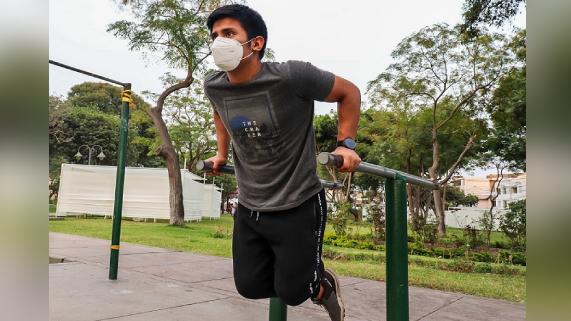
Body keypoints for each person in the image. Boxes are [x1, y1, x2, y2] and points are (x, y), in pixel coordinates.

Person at [203, 5, 361, 321]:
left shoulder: (292, 76)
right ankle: (302, 275)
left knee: (293, 292)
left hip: (298, 201)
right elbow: (220, 113)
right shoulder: (214, 84)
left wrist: (345, 145)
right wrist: (221, 153)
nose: (220, 41)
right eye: (215, 35)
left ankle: (320, 284)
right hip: (251, 205)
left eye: (230, 33)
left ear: (256, 43)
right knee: (248, 286)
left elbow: (349, 92)